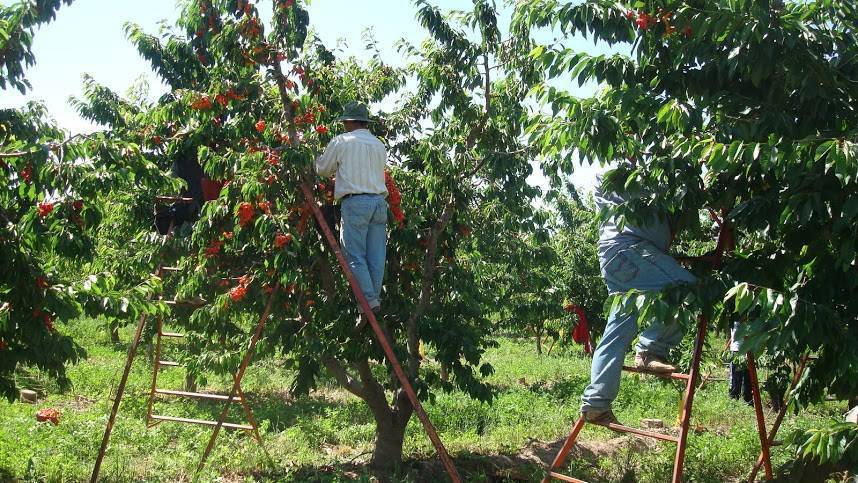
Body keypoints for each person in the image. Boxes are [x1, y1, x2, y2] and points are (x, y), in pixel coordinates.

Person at [580, 176, 697, 425]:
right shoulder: (630, 173)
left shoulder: (624, 174)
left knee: (617, 331)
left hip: (621, 258)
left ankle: (596, 404)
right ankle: (650, 350)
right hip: (630, 250)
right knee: (686, 288)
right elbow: (670, 188)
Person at [315, 101, 389, 314]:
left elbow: (322, 169)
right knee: (376, 256)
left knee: (355, 255)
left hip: (356, 203)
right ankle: (372, 300)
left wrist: (311, 156)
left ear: (349, 122)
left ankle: (367, 300)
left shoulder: (342, 142)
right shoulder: (378, 144)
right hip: (378, 203)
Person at [728, 322, 753, 405]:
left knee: (748, 376)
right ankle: (734, 399)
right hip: (736, 350)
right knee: (736, 376)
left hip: (748, 349)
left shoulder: (750, 315)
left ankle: (748, 399)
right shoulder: (734, 317)